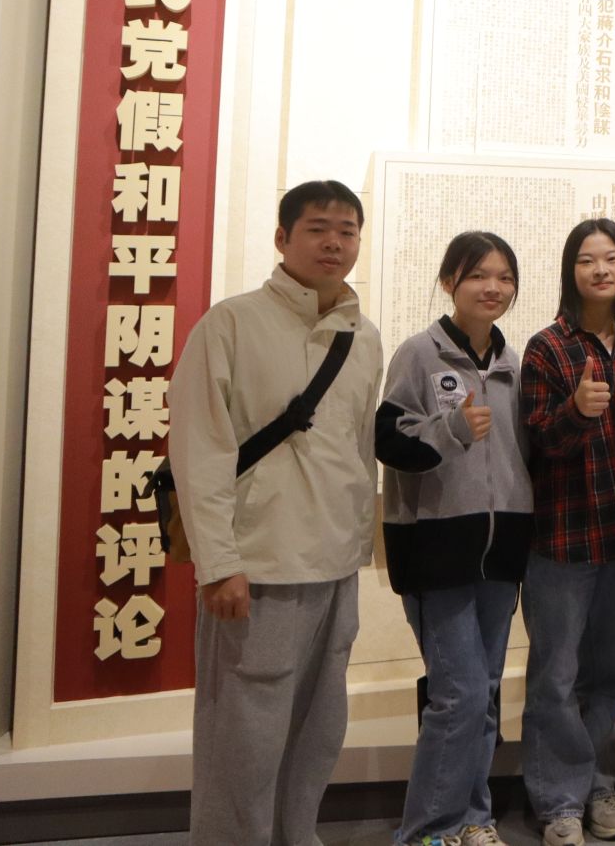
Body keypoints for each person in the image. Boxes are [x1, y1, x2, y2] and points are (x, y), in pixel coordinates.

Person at [170, 179, 385, 845]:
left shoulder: (364, 337)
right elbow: (200, 451)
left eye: (347, 230)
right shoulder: (231, 323)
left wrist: (360, 551)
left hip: (335, 565)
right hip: (256, 566)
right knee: (244, 736)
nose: (334, 242)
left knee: (318, 729)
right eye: (318, 228)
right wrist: (218, 563)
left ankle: (298, 835)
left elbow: (359, 451)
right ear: (282, 238)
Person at [377, 230, 533, 846]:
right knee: (459, 694)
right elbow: (388, 442)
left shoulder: (514, 364)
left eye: (504, 277)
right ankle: (427, 831)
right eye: (478, 275)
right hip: (435, 550)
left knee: (483, 693)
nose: (493, 287)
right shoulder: (420, 355)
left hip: (501, 553)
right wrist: (452, 430)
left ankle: (473, 817)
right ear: (449, 282)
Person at [521, 218, 615, 845]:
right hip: (561, 541)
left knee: (613, 675)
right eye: (587, 259)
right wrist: (574, 411)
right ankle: (558, 802)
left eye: (612, 258)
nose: (600, 269)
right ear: (571, 271)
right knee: (556, 677)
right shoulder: (547, 347)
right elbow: (536, 442)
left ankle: (599, 787)